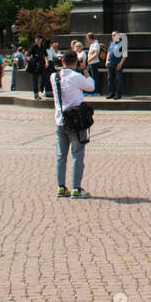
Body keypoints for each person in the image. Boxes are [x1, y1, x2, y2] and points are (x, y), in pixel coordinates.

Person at [52, 50, 95, 199]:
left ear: (63, 61)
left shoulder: (54, 76)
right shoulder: (76, 77)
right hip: (76, 122)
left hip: (60, 120)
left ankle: (61, 187)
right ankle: (76, 188)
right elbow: (91, 87)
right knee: (77, 155)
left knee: (60, 156)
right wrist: (85, 71)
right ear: (76, 62)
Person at [106, 31, 127, 99]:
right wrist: (106, 60)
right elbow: (108, 52)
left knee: (119, 80)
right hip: (110, 63)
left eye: (114, 35)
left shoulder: (122, 44)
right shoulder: (111, 43)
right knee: (110, 79)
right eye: (112, 35)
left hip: (117, 64)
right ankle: (111, 93)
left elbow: (124, 55)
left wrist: (120, 63)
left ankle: (118, 94)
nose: (113, 36)